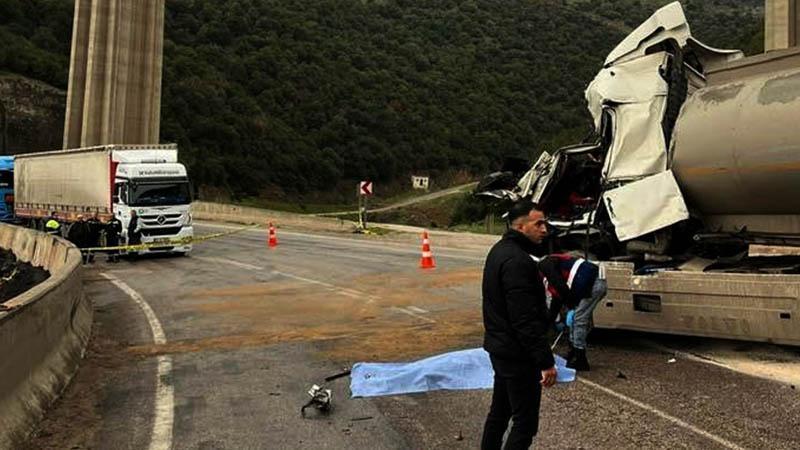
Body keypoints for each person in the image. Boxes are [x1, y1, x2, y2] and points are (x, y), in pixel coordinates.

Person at [481, 200, 557, 450]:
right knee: (525, 424)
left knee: (499, 413)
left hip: (501, 348)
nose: (544, 229)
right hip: (517, 354)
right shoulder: (518, 261)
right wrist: (545, 361)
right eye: (539, 224)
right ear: (521, 226)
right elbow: (524, 319)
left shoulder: (499, 251)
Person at [539, 253, 607, 371]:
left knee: (578, 320)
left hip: (592, 283)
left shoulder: (544, 265)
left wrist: (571, 305)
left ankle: (580, 359)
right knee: (575, 319)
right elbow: (557, 300)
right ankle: (573, 353)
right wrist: (549, 322)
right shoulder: (549, 273)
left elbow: (559, 285)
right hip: (591, 282)